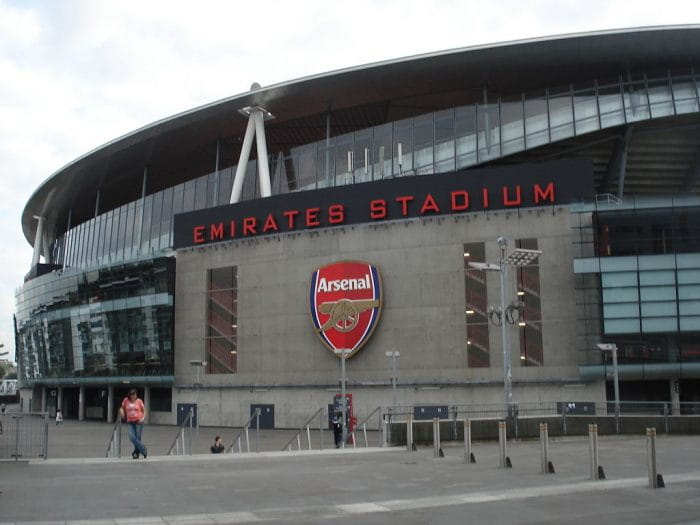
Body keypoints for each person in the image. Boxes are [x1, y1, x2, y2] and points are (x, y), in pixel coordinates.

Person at [119, 389, 148, 459]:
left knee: (137, 438)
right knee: (132, 437)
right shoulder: (126, 400)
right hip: (130, 422)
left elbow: (144, 411)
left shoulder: (139, 401)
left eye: (134, 394)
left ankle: (136, 454)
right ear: (130, 395)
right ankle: (143, 449)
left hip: (138, 422)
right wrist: (122, 411)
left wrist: (143, 418)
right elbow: (121, 408)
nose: (133, 396)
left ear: (136, 395)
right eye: (132, 394)